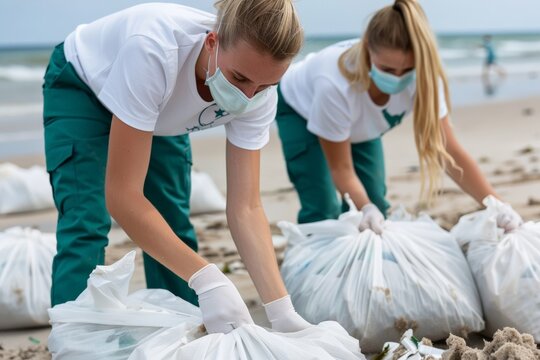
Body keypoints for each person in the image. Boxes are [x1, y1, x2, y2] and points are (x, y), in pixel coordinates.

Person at [43, 0, 310, 334]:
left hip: (160, 111)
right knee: (87, 221)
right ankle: (73, 343)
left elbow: (246, 207)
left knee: (170, 219)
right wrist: (208, 277)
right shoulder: (155, 49)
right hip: (84, 86)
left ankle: (179, 339)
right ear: (212, 42)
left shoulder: (258, 92)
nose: (247, 96)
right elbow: (123, 197)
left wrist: (280, 309)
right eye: (239, 77)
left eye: (264, 86)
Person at [275, 0, 522, 234]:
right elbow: (340, 169)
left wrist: (496, 205)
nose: (397, 78)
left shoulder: (424, 78)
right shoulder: (334, 84)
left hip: (359, 123)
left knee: (376, 202)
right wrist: (365, 208)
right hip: (301, 110)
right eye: (387, 69)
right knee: (324, 209)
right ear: (367, 49)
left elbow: (448, 151)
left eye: (407, 70)